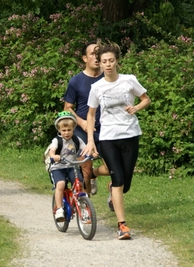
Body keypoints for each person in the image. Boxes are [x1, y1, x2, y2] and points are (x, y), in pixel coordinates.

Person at [81, 41, 151, 240]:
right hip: (108, 138)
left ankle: (98, 177)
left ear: (117, 62)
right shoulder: (97, 87)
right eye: (104, 61)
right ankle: (122, 226)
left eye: (111, 60)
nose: (108, 64)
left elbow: (146, 99)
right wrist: (90, 141)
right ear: (100, 64)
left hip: (130, 135)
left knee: (125, 182)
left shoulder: (129, 80)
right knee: (118, 178)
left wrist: (136, 108)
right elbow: (91, 114)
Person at [64, 41, 109, 196]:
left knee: (113, 169)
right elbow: (67, 107)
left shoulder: (108, 78)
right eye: (92, 54)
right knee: (86, 169)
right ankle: (86, 208)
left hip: (106, 129)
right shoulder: (76, 81)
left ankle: (99, 176)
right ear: (84, 58)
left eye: (99, 54)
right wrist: (81, 121)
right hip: (82, 130)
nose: (96, 57)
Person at [48, 111, 86, 222]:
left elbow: (85, 148)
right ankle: (59, 209)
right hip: (58, 167)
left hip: (72, 167)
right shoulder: (57, 140)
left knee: (79, 183)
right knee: (61, 184)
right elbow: (52, 151)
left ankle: (83, 207)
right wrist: (54, 156)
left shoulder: (76, 139)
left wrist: (92, 153)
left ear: (73, 129)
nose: (66, 133)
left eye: (69, 130)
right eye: (63, 130)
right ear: (59, 130)